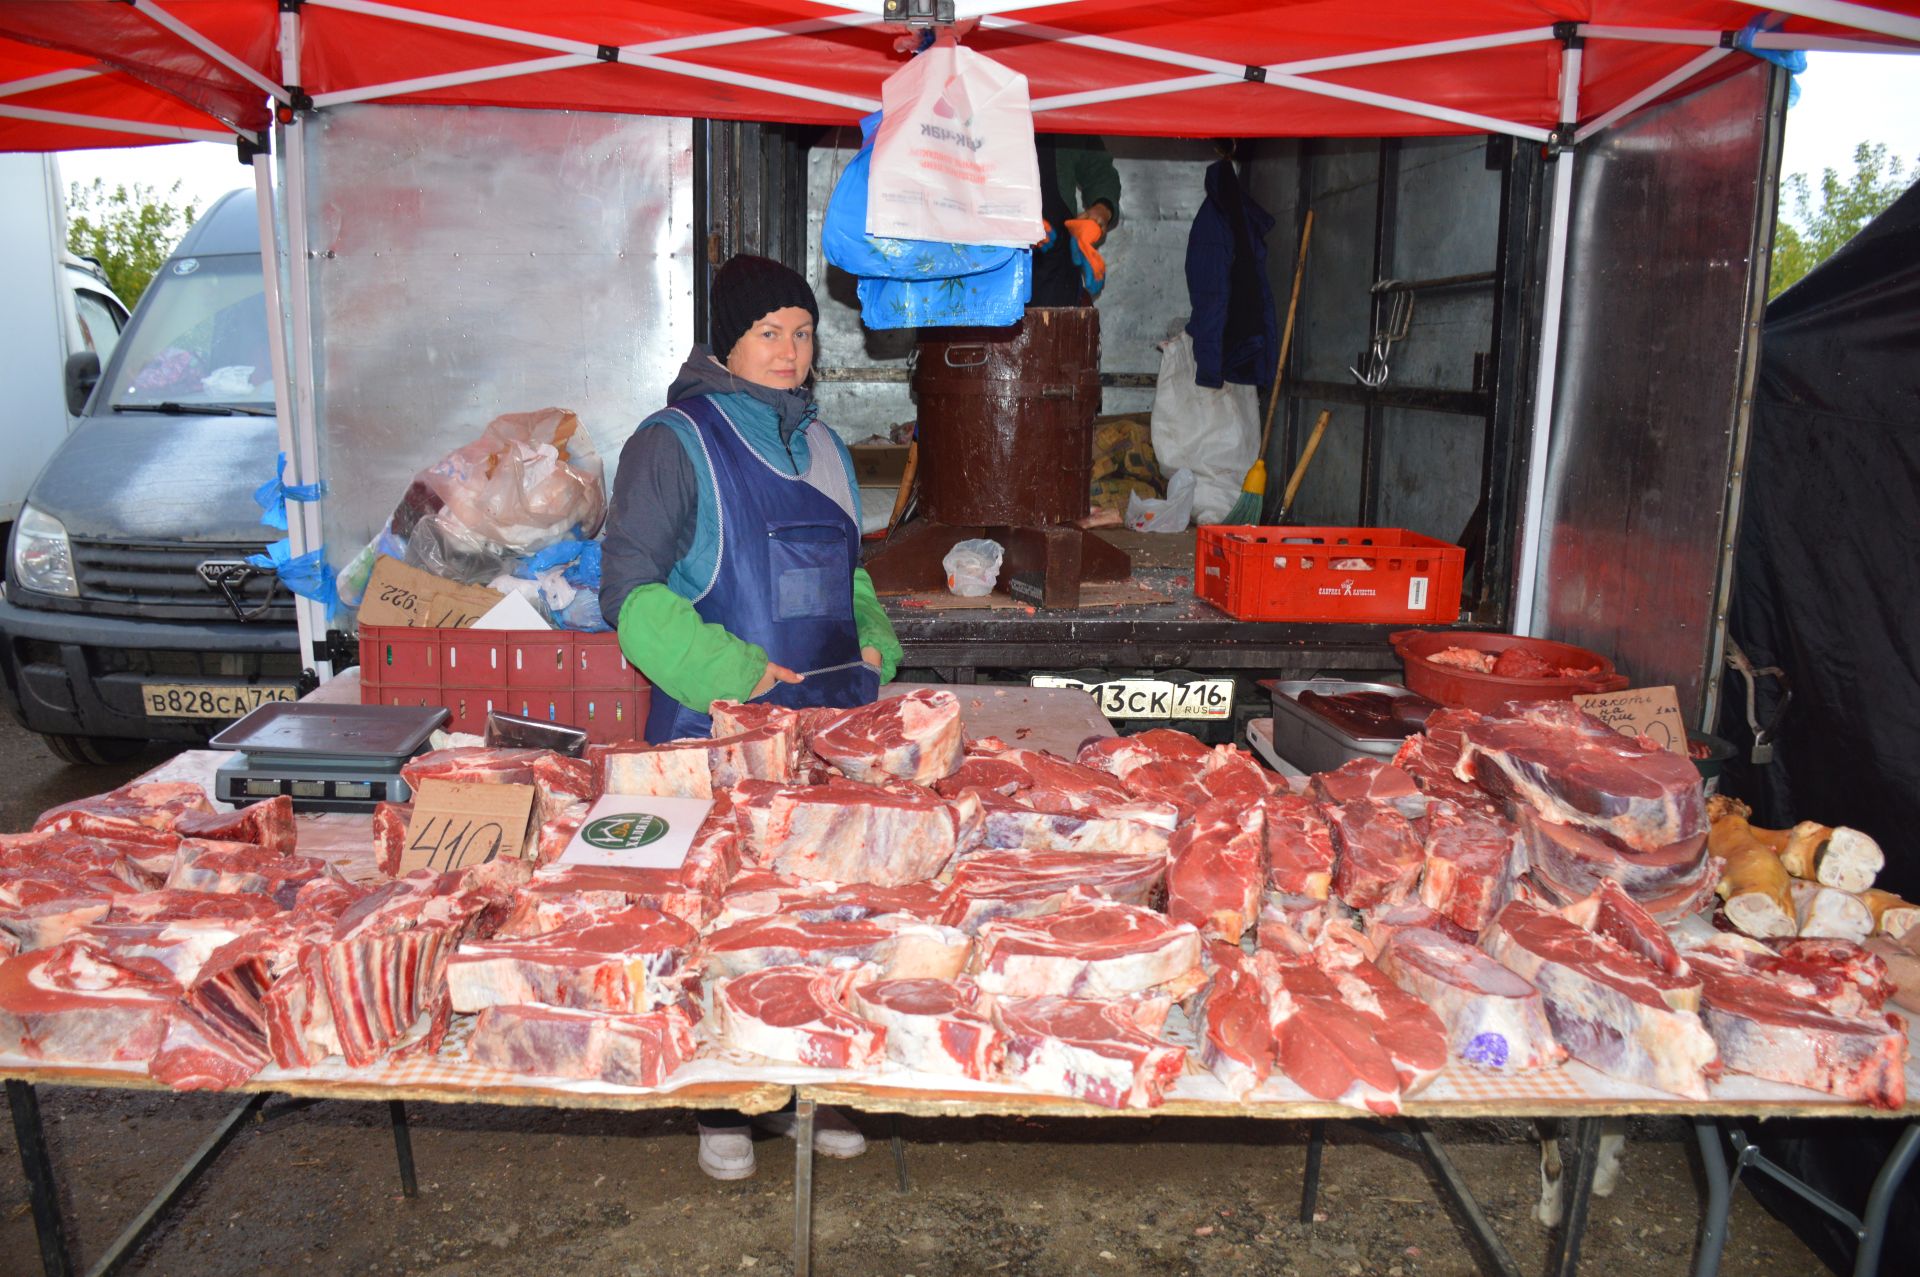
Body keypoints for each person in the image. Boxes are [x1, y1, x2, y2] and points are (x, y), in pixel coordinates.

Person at [599, 253, 902, 1180]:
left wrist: (879, 642)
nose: (788, 348)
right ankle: (721, 1106)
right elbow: (631, 598)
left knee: (820, 916)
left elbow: (851, 575)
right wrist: (733, 672)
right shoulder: (672, 440)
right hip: (714, 734)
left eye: (802, 331)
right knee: (720, 926)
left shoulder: (825, 447)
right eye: (768, 330)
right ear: (727, 339)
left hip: (824, 732)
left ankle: (815, 1087)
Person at [1029, 134, 1121, 307]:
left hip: (1057, 262)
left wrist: (1100, 212)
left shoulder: (1066, 109)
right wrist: (1009, 218)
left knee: (1056, 329)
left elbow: (1099, 171)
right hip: (990, 260)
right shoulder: (984, 111)